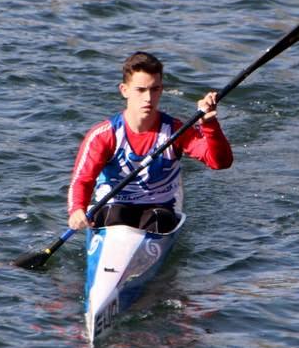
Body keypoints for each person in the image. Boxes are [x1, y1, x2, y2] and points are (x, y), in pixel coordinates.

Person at [67, 51, 233, 234]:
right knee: (113, 215)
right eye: (140, 90)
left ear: (161, 90)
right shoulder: (103, 135)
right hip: (114, 206)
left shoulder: (177, 131)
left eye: (154, 89)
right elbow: (82, 179)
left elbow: (220, 163)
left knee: (157, 219)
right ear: (124, 90)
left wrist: (209, 124)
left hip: (160, 207)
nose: (148, 98)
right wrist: (77, 209)